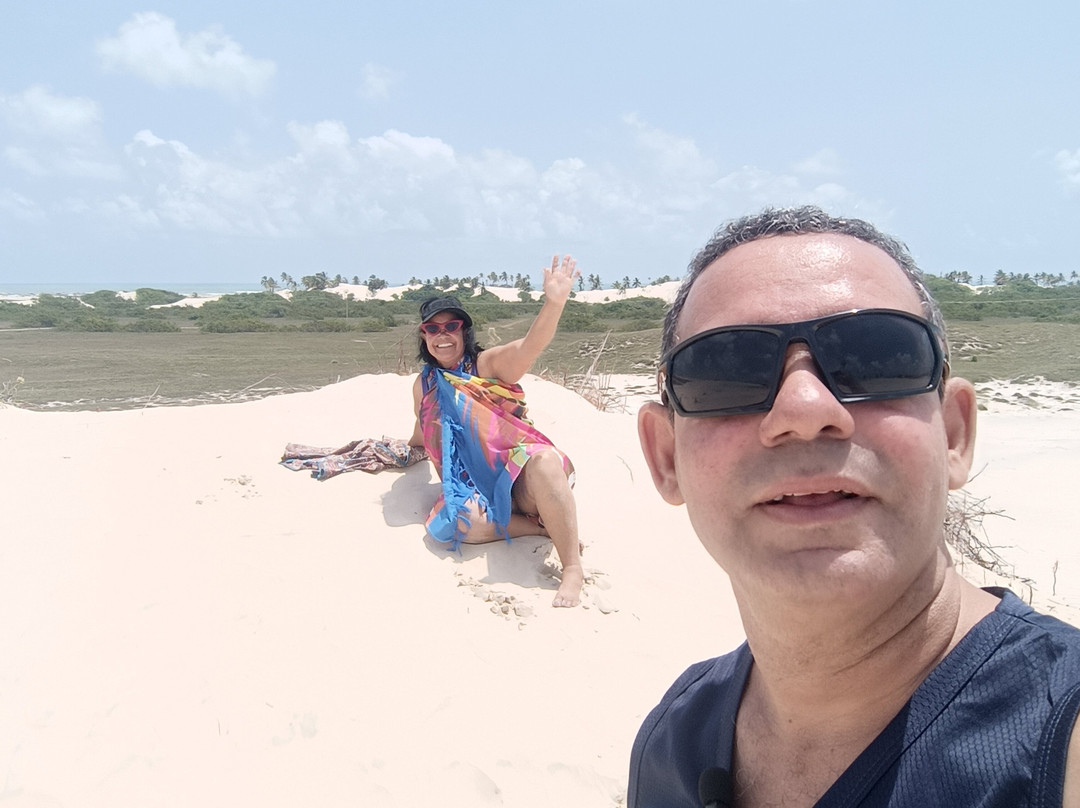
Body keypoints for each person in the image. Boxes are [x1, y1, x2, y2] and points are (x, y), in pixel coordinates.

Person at [630, 206, 1080, 806]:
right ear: (665, 457)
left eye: (875, 355)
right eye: (727, 369)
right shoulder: (673, 740)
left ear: (953, 434)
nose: (804, 409)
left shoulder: (1061, 740)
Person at [408, 255, 584, 608]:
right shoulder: (424, 384)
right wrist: (408, 448)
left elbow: (529, 347)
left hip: (521, 478)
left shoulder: (486, 365)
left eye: (451, 326)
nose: (442, 336)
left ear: (464, 331)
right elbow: (424, 427)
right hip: (476, 487)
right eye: (433, 329)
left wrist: (554, 304)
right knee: (458, 521)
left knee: (546, 462)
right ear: (424, 335)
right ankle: (542, 527)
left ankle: (572, 568)